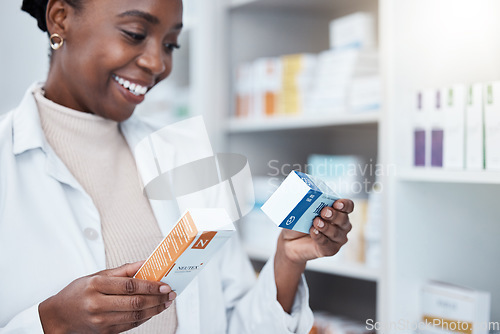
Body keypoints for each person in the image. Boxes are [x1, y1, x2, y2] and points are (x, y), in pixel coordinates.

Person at [0, 0, 354, 333]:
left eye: (170, 45)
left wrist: (287, 260)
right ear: (60, 18)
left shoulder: (187, 158)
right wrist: (50, 323)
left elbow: (232, 323)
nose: (157, 64)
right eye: (136, 34)